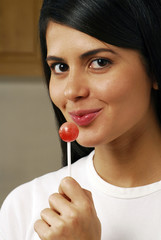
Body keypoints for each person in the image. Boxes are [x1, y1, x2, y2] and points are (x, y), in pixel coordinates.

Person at [1, 0, 161, 239]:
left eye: (99, 62)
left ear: (155, 68)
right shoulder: (24, 206)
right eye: (60, 67)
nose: (71, 91)